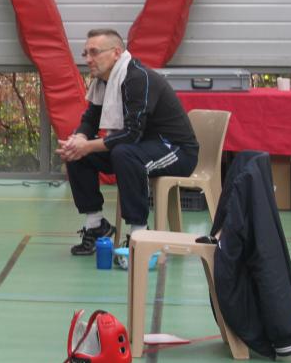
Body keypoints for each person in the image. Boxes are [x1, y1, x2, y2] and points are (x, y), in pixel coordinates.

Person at [58, 28, 199, 257]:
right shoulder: (103, 81)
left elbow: (131, 134)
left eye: (94, 52)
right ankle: (96, 225)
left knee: (124, 153)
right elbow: (90, 120)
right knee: (77, 153)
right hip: (140, 147)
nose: (88, 59)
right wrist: (80, 140)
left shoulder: (137, 78)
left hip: (176, 151)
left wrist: (88, 146)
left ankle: (139, 235)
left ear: (116, 53)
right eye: (85, 53)